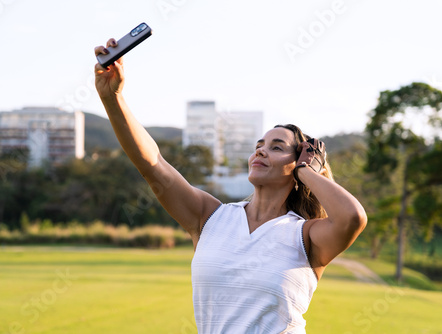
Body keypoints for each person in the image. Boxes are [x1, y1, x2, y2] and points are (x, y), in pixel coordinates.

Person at [94, 38, 367, 334]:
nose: (260, 151)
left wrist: (307, 172)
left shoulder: (306, 235)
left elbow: (353, 218)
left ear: (298, 165)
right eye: (259, 145)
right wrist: (113, 98)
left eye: (277, 148)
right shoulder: (210, 217)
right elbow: (153, 164)